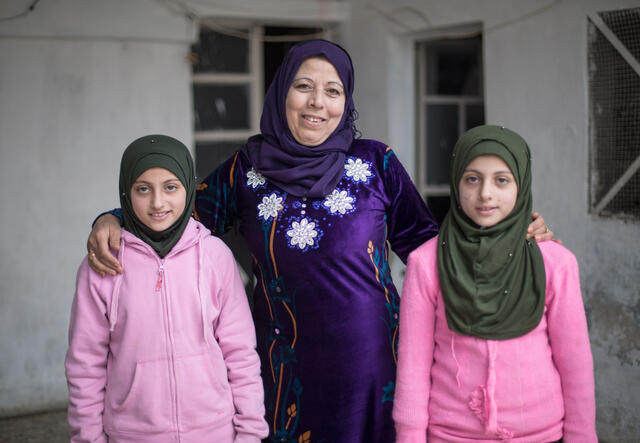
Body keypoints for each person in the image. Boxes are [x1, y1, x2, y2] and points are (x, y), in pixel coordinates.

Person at [86, 41, 553, 442]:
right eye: (303, 86)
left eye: (333, 91)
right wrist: (112, 218)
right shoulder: (246, 168)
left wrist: (507, 235)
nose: (317, 103)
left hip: (375, 369)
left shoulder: (376, 162)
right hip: (283, 371)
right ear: (282, 90)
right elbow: (172, 214)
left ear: (345, 101)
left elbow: (429, 246)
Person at [392, 125, 596, 442]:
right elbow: (412, 367)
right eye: (472, 179)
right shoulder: (426, 263)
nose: (486, 193)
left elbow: (576, 365)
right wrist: (410, 436)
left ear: (522, 184)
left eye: (502, 180)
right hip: (451, 435)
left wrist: (582, 436)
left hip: (540, 434)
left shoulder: (556, 263)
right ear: (456, 182)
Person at [65, 135, 269, 442]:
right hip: (132, 434)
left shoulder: (214, 256)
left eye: (171, 187)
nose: (158, 202)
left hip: (215, 432)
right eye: (143, 189)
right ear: (125, 191)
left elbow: (240, 354)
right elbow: (85, 366)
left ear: (188, 187)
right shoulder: (103, 264)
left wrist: (251, 432)